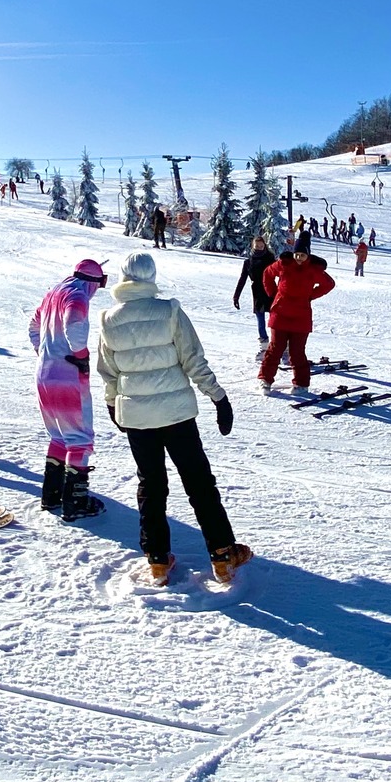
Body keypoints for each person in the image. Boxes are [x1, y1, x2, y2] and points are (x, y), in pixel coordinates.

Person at [96, 250, 249, 585]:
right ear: (151, 277)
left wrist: (112, 405)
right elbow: (193, 360)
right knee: (198, 482)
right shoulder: (169, 312)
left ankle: (157, 559)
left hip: (136, 417)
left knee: (151, 484)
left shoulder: (108, 318)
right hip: (177, 415)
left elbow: (109, 372)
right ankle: (223, 555)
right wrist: (218, 397)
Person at [29, 259, 109, 520]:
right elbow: (74, 323)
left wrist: (44, 352)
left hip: (44, 374)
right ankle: (75, 501)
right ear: (93, 282)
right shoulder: (77, 294)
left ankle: (51, 495)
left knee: (58, 436)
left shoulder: (54, 291)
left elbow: (33, 326)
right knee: (80, 438)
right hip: (68, 375)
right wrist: (81, 354)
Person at [260, 233, 335, 393]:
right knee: (275, 349)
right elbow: (267, 274)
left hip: (301, 318)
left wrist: (311, 295)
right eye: (297, 254)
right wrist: (273, 293)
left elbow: (329, 284)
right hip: (280, 315)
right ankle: (265, 380)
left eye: (302, 255)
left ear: (308, 255)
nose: (299, 258)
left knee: (297, 352)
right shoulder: (284, 264)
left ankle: (301, 384)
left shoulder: (314, 269)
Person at [232, 233, 275, 345]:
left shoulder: (270, 259)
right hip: (257, 291)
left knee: (274, 316)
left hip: (270, 290)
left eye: (261, 247)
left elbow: (281, 273)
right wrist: (236, 296)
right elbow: (242, 279)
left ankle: (278, 339)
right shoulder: (248, 262)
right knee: (260, 317)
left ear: (264, 246)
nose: (259, 249)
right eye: (257, 247)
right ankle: (263, 340)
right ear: (253, 247)